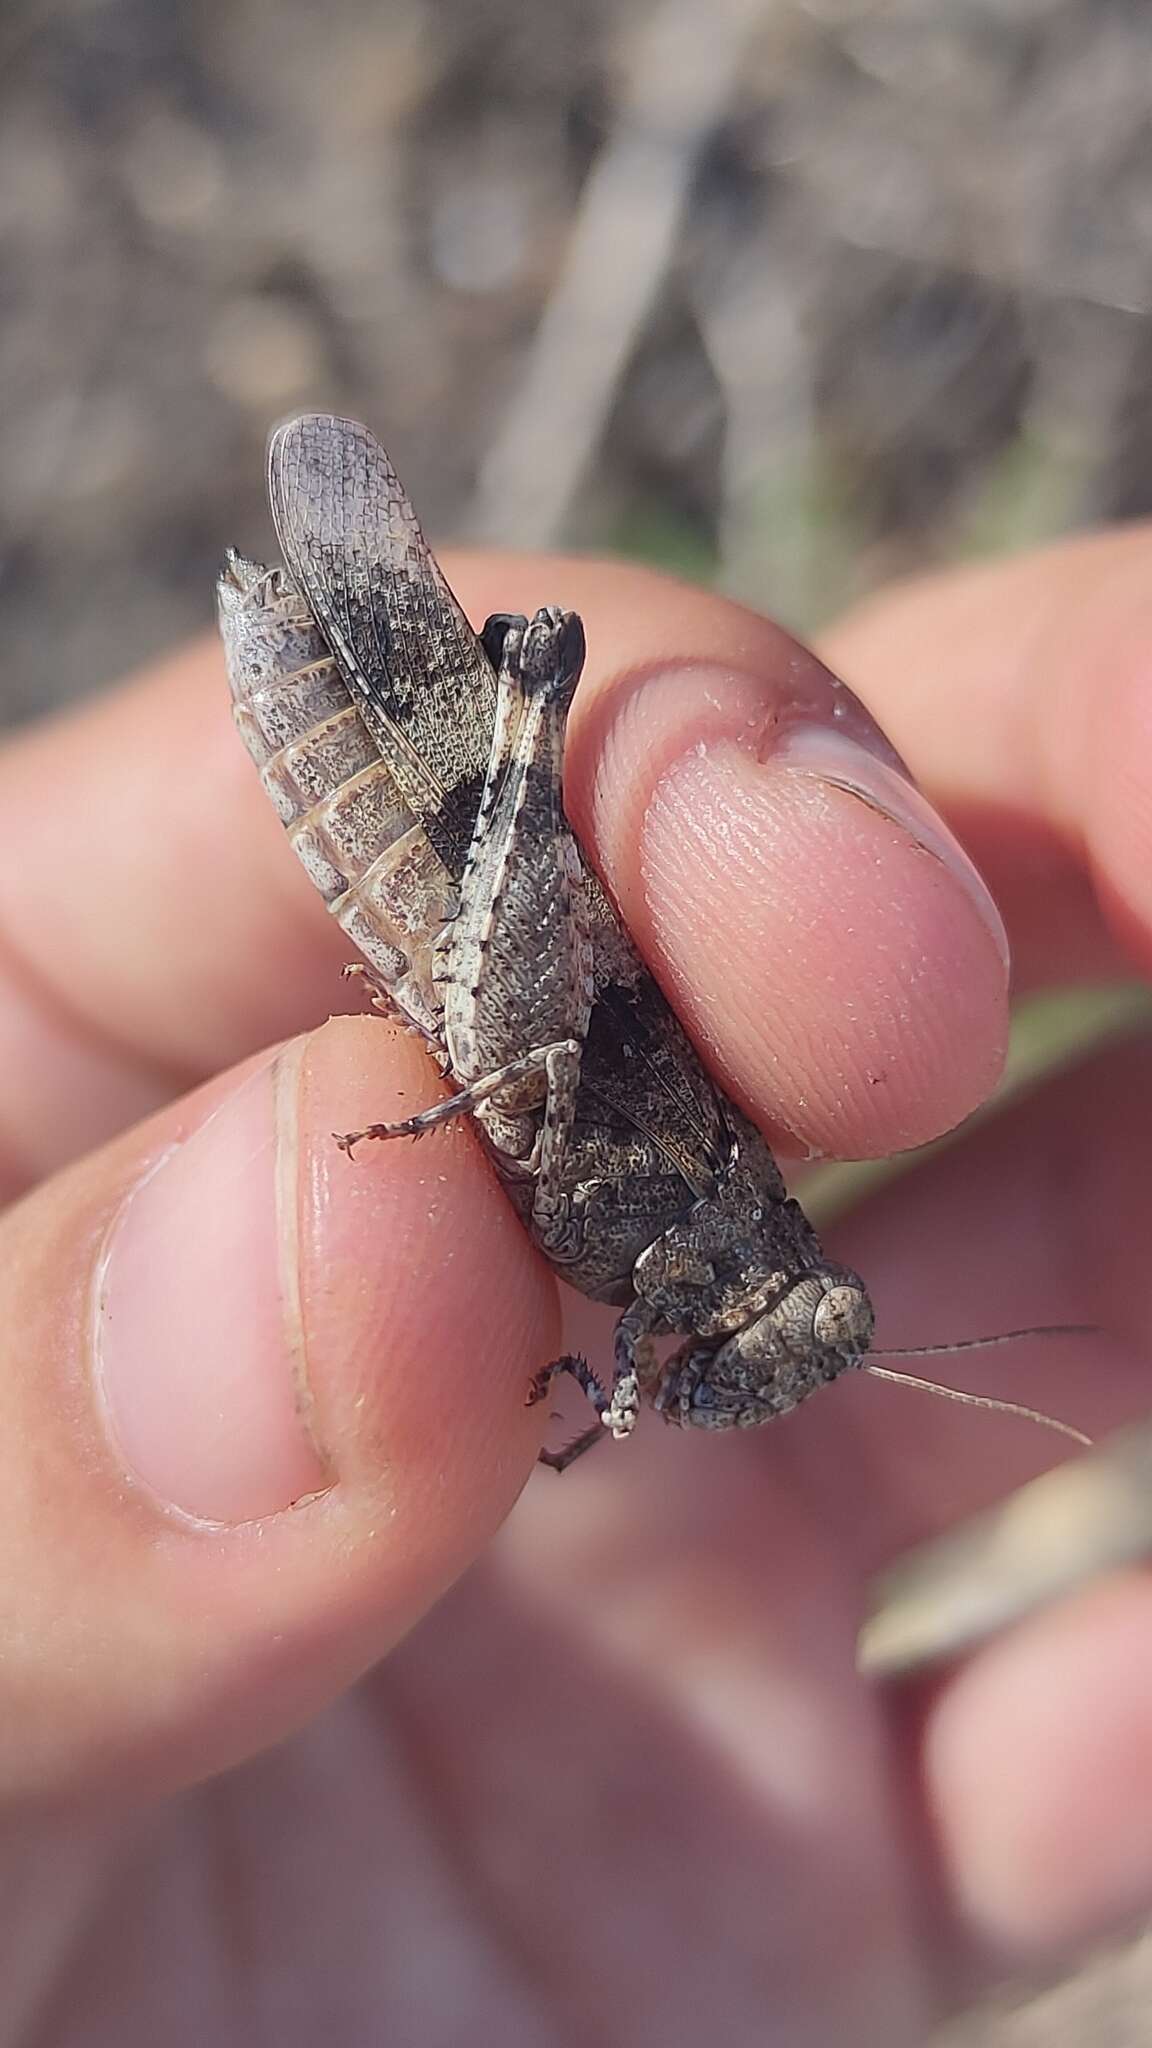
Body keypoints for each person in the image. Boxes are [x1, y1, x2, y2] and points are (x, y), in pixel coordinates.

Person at [2, 529, 1149, 2043]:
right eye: (783, 1329)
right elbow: (546, 1071)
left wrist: (606, 1403)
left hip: (461, 949)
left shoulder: (680, 1289)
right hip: (447, 887)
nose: (752, 1363)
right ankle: (504, 691)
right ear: (765, 1282)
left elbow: (639, 1382)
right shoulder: (699, 1205)